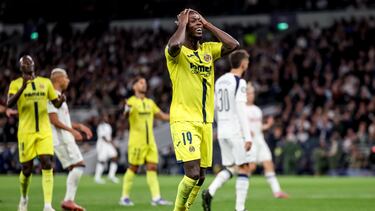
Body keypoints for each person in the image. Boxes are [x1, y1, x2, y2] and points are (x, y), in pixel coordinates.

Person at [165, 9, 239, 211]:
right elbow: (173, 45)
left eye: (200, 21)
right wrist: (182, 23)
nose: (198, 24)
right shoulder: (176, 53)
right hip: (184, 119)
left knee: (201, 176)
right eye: (193, 22)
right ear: (182, 25)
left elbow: (233, 45)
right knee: (192, 173)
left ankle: (185, 207)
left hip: (205, 121)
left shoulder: (208, 49)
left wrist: (207, 24)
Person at [7, 55, 65, 211]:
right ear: (21, 68)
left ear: (34, 65)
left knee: (47, 163)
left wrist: (62, 100)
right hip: (26, 132)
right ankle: (24, 198)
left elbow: (56, 103)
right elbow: (9, 104)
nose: (28, 65)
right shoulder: (15, 84)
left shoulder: (45, 83)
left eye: (30, 62)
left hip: (44, 131)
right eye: (25, 64)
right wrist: (23, 87)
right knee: (27, 169)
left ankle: (47, 205)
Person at [202, 50, 252, 211]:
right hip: (235, 130)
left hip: (223, 130)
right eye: (247, 62)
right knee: (244, 168)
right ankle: (240, 208)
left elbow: (215, 107)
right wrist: (248, 136)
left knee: (231, 168)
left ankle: (210, 191)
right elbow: (241, 110)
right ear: (243, 64)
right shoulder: (240, 82)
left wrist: (220, 125)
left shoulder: (220, 81)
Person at [119, 76, 172, 206]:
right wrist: (126, 110)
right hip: (137, 142)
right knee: (133, 168)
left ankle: (156, 198)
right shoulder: (131, 102)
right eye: (141, 83)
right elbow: (125, 115)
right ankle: (124, 197)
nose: (144, 85)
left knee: (152, 168)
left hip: (150, 142)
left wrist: (178, 116)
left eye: (145, 83)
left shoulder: (150, 102)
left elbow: (163, 116)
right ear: (134, 86)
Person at [47, 68, 93, 211]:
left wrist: (78, 126)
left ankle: (69, 201)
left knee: (75, 167)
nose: (68, 80)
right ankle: (68, 200)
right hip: (61, 138)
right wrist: (72, 131)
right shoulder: (52, 96)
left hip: (64, 137)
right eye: (66, 77)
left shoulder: (59, 96)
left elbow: (62, 120)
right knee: (79, 165)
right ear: (58, 79)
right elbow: (53, 120)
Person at [246, 83, 288, 198]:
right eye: (249, 93)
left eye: (252, 93)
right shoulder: (242, 110)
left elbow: (258, 127)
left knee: (268, 164)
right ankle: (241, 191)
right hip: (250, 142)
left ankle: (277, 191)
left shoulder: (257, 110)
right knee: (251, 167)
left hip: (260, 140)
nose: (251, 96)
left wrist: (267, 126)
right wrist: (245, 133)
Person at [94, 113, 119, 184]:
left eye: (106, 117)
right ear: (102, 118)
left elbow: (109, 136)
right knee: (101, 161)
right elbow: (103, 137)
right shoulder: (101, 126)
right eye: (104, 117)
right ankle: (97, 177)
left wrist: (111, 143)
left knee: (114, 157)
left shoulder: (108, 126)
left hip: (108, 145)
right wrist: (112, 143)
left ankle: (111, 175)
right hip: (102, 145)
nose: (106, 118)